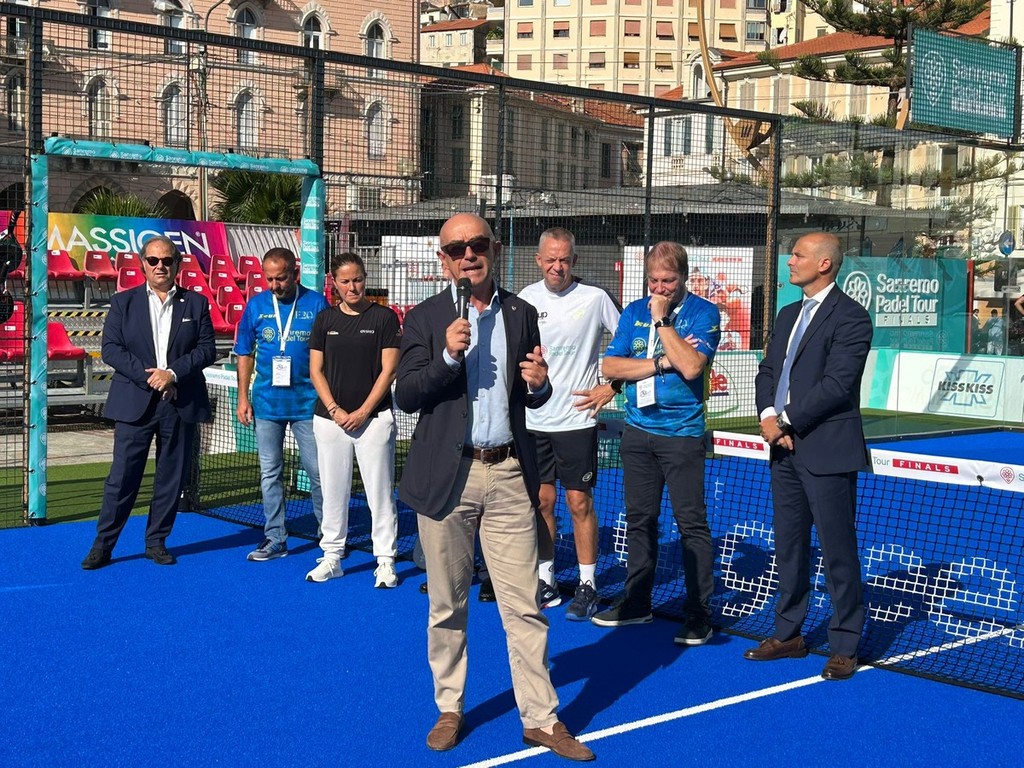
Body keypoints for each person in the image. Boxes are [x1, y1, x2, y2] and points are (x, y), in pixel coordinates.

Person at [395, 213, 594, 761]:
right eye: (457, 248)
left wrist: (541, 386)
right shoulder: (425, 317)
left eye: (478, 244)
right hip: (449, 477)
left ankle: (541, 718)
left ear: (494, 250)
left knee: (525, 605)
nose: (469, 255)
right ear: (444, 260)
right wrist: (446, 357)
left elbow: (529, 395)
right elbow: (406, 395)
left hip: (508, 472)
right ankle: (450, 708)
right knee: (447, 605)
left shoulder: (521, 313)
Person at [746, 231, 872, 681]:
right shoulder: (787, 315)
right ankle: (789, 635)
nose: (789, 260)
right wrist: (768, 416)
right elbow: (768, 371)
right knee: (790, 546)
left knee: (838, 551)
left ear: (823, 264)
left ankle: (844, 645)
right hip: (783, 452)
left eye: (797, 254)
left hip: (827, 451)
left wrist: (785, 421)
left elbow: (837, 386)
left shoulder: (852, 317)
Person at [593, 242, 720, 648]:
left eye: (668, 280)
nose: (659, 288)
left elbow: (692, 366)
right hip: (637, 431)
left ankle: (699, 613)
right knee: (639, 520)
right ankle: (637, 601)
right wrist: (660, 363)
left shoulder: (703, 313)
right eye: (653, 281)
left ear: (684, 277)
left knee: (691, 524)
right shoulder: (633, 312)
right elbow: (610, 366)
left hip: (681, 435)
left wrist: (663, 322)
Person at [81, 235, 216, 569]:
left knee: (171, 477)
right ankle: (103, 545)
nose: (160, 266)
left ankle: (156, 542)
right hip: (134, 403)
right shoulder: (122, 302)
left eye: (167, 260)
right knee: (122, 477)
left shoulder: (196, 303)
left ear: (177, 265)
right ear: (143, 264)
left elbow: (206, 350)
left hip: (179, 401)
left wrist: (172, 374)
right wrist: (152, 378)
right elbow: (111, 349)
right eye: (153, 260)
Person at [518, 227, 621, 620]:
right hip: (534, 420)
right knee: (541, 502)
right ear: (538, 260)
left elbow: (632, 341)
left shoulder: (595, 298)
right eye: (550, 259)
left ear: (574, 261)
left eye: (564, 259)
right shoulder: (526, 299)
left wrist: (611, 386)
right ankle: (546, 579)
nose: (557, 266)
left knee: (579, 503)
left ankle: (588, 585)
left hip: (577, 420)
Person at [306, 252, 402, 587]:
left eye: (358, 279)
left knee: (380, 492)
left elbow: (389, 370)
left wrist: (362, 412)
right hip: (329, 422)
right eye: (345, 281)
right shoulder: (325, 320)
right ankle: (332, 557)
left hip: (374, 421)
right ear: (334, 283)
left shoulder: (385, 318)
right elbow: (315, 371)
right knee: (333, 492)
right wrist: (335, 410)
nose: (352, 287)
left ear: (365, 279)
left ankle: (386, 561)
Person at [234, 248, 328, 562]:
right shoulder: (256, 305)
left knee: (318, 472)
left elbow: (329, 352)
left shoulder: (316, 303)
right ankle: (275, 538)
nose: (275, 285)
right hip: (266, 404)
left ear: (295, 274)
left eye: (281, 278)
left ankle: (328, 535)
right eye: (270, 279)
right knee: (270, 473)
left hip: (308, 404)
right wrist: (243, 397)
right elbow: (244, 352)